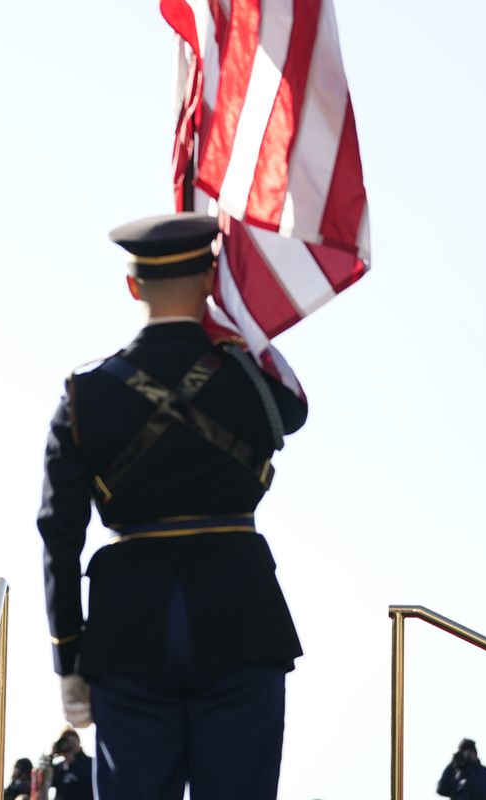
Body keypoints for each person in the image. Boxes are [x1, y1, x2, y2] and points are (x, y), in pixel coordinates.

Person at [36, 213, 307, 800]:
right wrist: (242, 329)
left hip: (129, 628)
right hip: (241, 616)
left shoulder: (86, 395)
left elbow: (59, 532)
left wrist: (69, 655)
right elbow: (295, 412)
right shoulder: (250, 378)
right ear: (214, 281)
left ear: (132, 287)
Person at [49, 729, 92, 800]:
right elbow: (47, 783)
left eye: (71, 741)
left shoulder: (91, 763)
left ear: (78, 741)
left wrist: (73, 762)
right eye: (65, 742)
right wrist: (51, 757)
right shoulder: (60, 767)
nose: (68, 745)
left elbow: (90, 783)